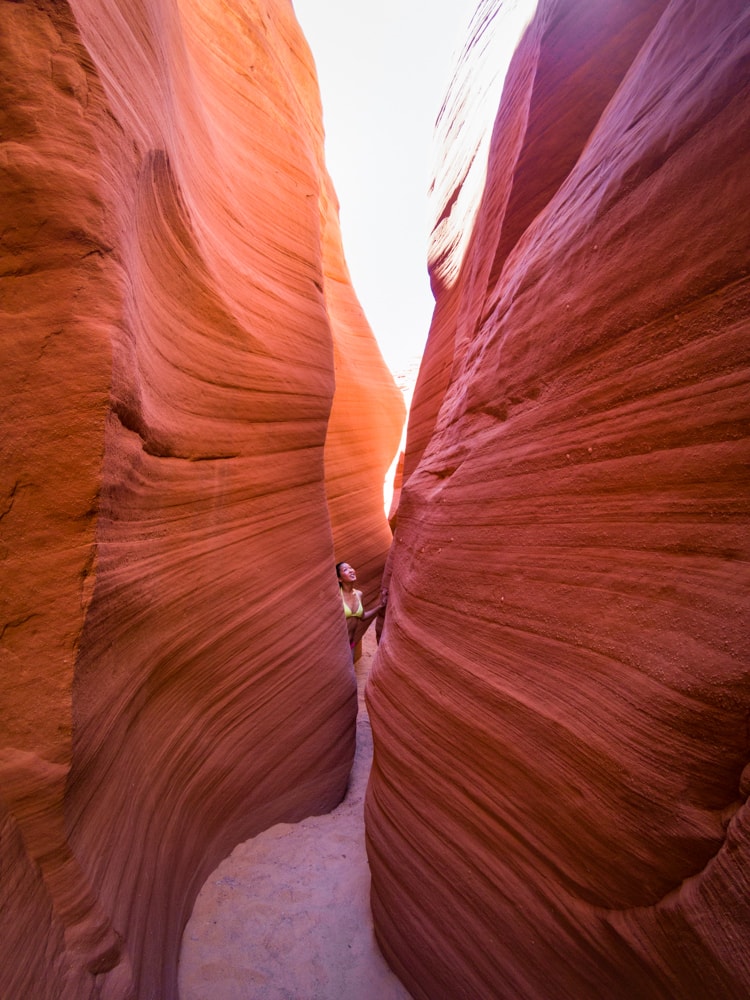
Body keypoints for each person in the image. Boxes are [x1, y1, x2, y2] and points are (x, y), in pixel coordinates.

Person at [336, 561, 387, 654]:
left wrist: (380, 606)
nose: (351, 571)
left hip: (350, 645)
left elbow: (363, 617)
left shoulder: (359, 594)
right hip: (337, 646)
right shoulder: (337, 596)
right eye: (345, 570)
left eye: (351, 568)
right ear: (339, 579)